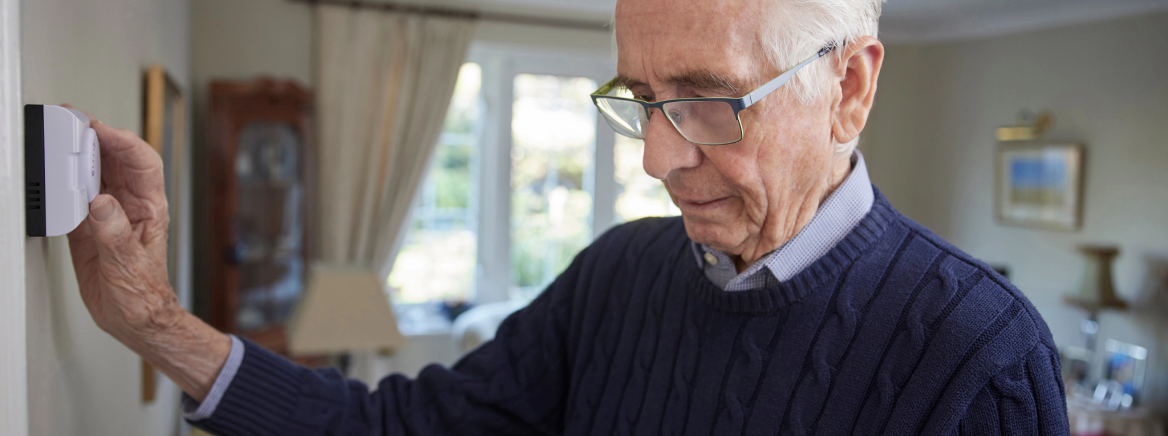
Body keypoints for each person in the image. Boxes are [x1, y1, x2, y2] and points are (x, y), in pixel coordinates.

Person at [69, 0, 1071, 434]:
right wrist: (151, 321)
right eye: (638, 95)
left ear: (847, 86)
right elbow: (398, 426)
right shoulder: (619, 274)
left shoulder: (978, 357)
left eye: (707, 97)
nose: (655, 156)